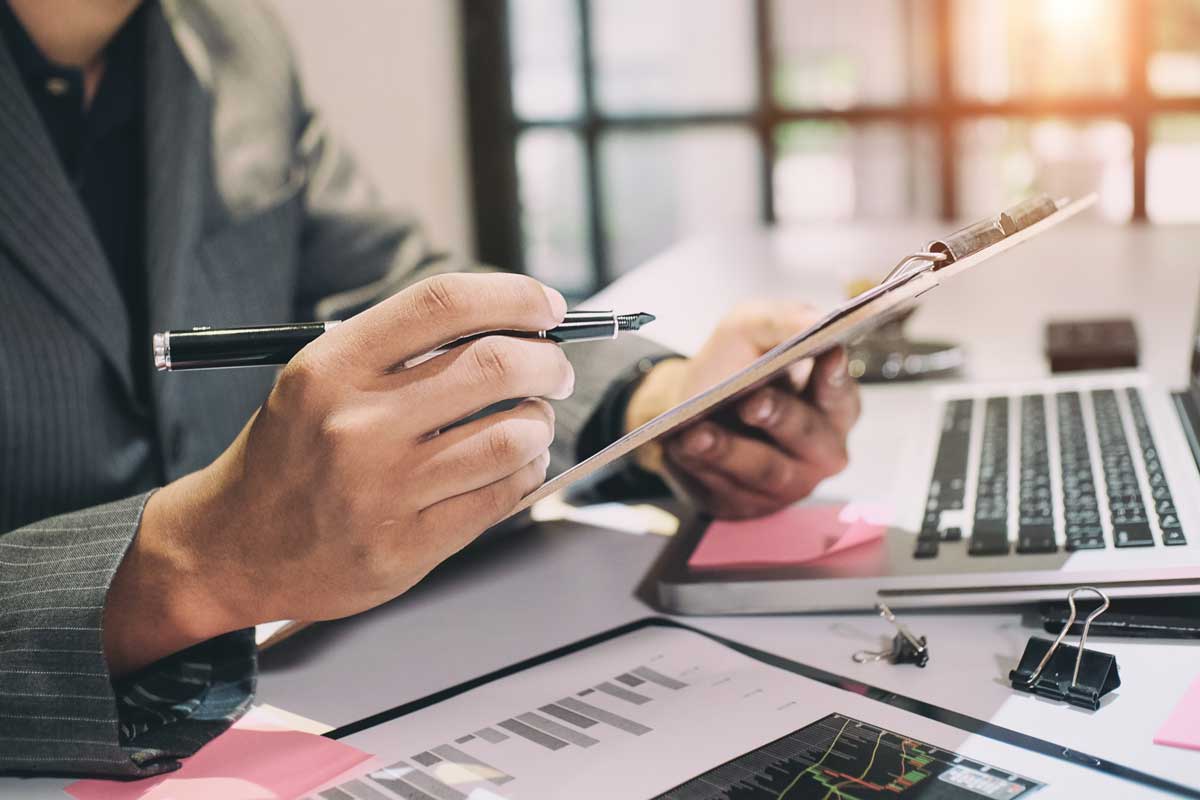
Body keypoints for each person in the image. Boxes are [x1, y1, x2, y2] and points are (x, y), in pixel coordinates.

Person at [0, 0, 860, 778]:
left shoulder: (232, 38)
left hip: (305, 718)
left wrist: (660, 404)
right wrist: (191, 563)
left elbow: (387, 291)